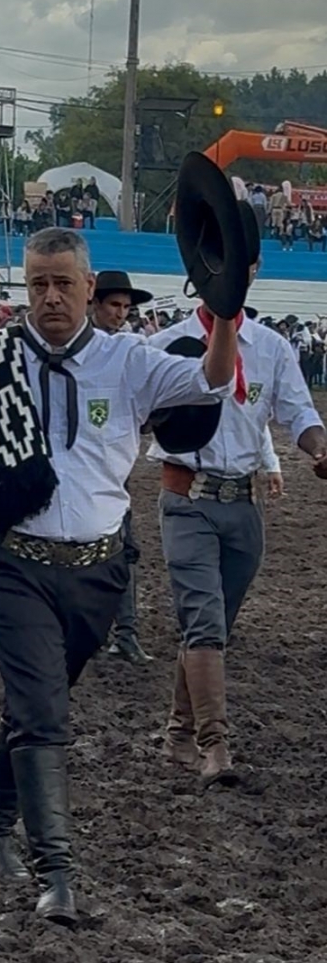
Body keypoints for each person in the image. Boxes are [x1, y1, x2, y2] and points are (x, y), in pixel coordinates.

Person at [0, 192, 241, 927]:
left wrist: (225, 311)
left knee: (35, 707)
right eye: (37, 283)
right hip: (11, 566)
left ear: (89, 286)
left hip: (99, 574)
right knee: (44, 714)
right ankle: (58, 873)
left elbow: (212, 383)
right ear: (24, 287)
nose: (50, 297)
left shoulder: (131, 360)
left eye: (63, 283)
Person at [147, 198, 327, 785]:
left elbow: (299, 413)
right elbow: (139, 414)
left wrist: (319, 448)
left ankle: (176, 732)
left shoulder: (273, 349)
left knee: (214, 628)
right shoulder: (167, 343)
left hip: (244, 507)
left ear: (252, 271)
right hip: (187, 500)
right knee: (203, 621)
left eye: (240, 263)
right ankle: (214, 745)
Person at [90, 270, 155, 665]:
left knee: (123, 552)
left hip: (117, 468)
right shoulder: (75, 350)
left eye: (125, 307)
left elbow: (146, 409)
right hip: (83, 467)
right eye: (114, 305)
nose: (120, 313)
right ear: (95, 305)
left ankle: (126, 633)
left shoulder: (133, 351)